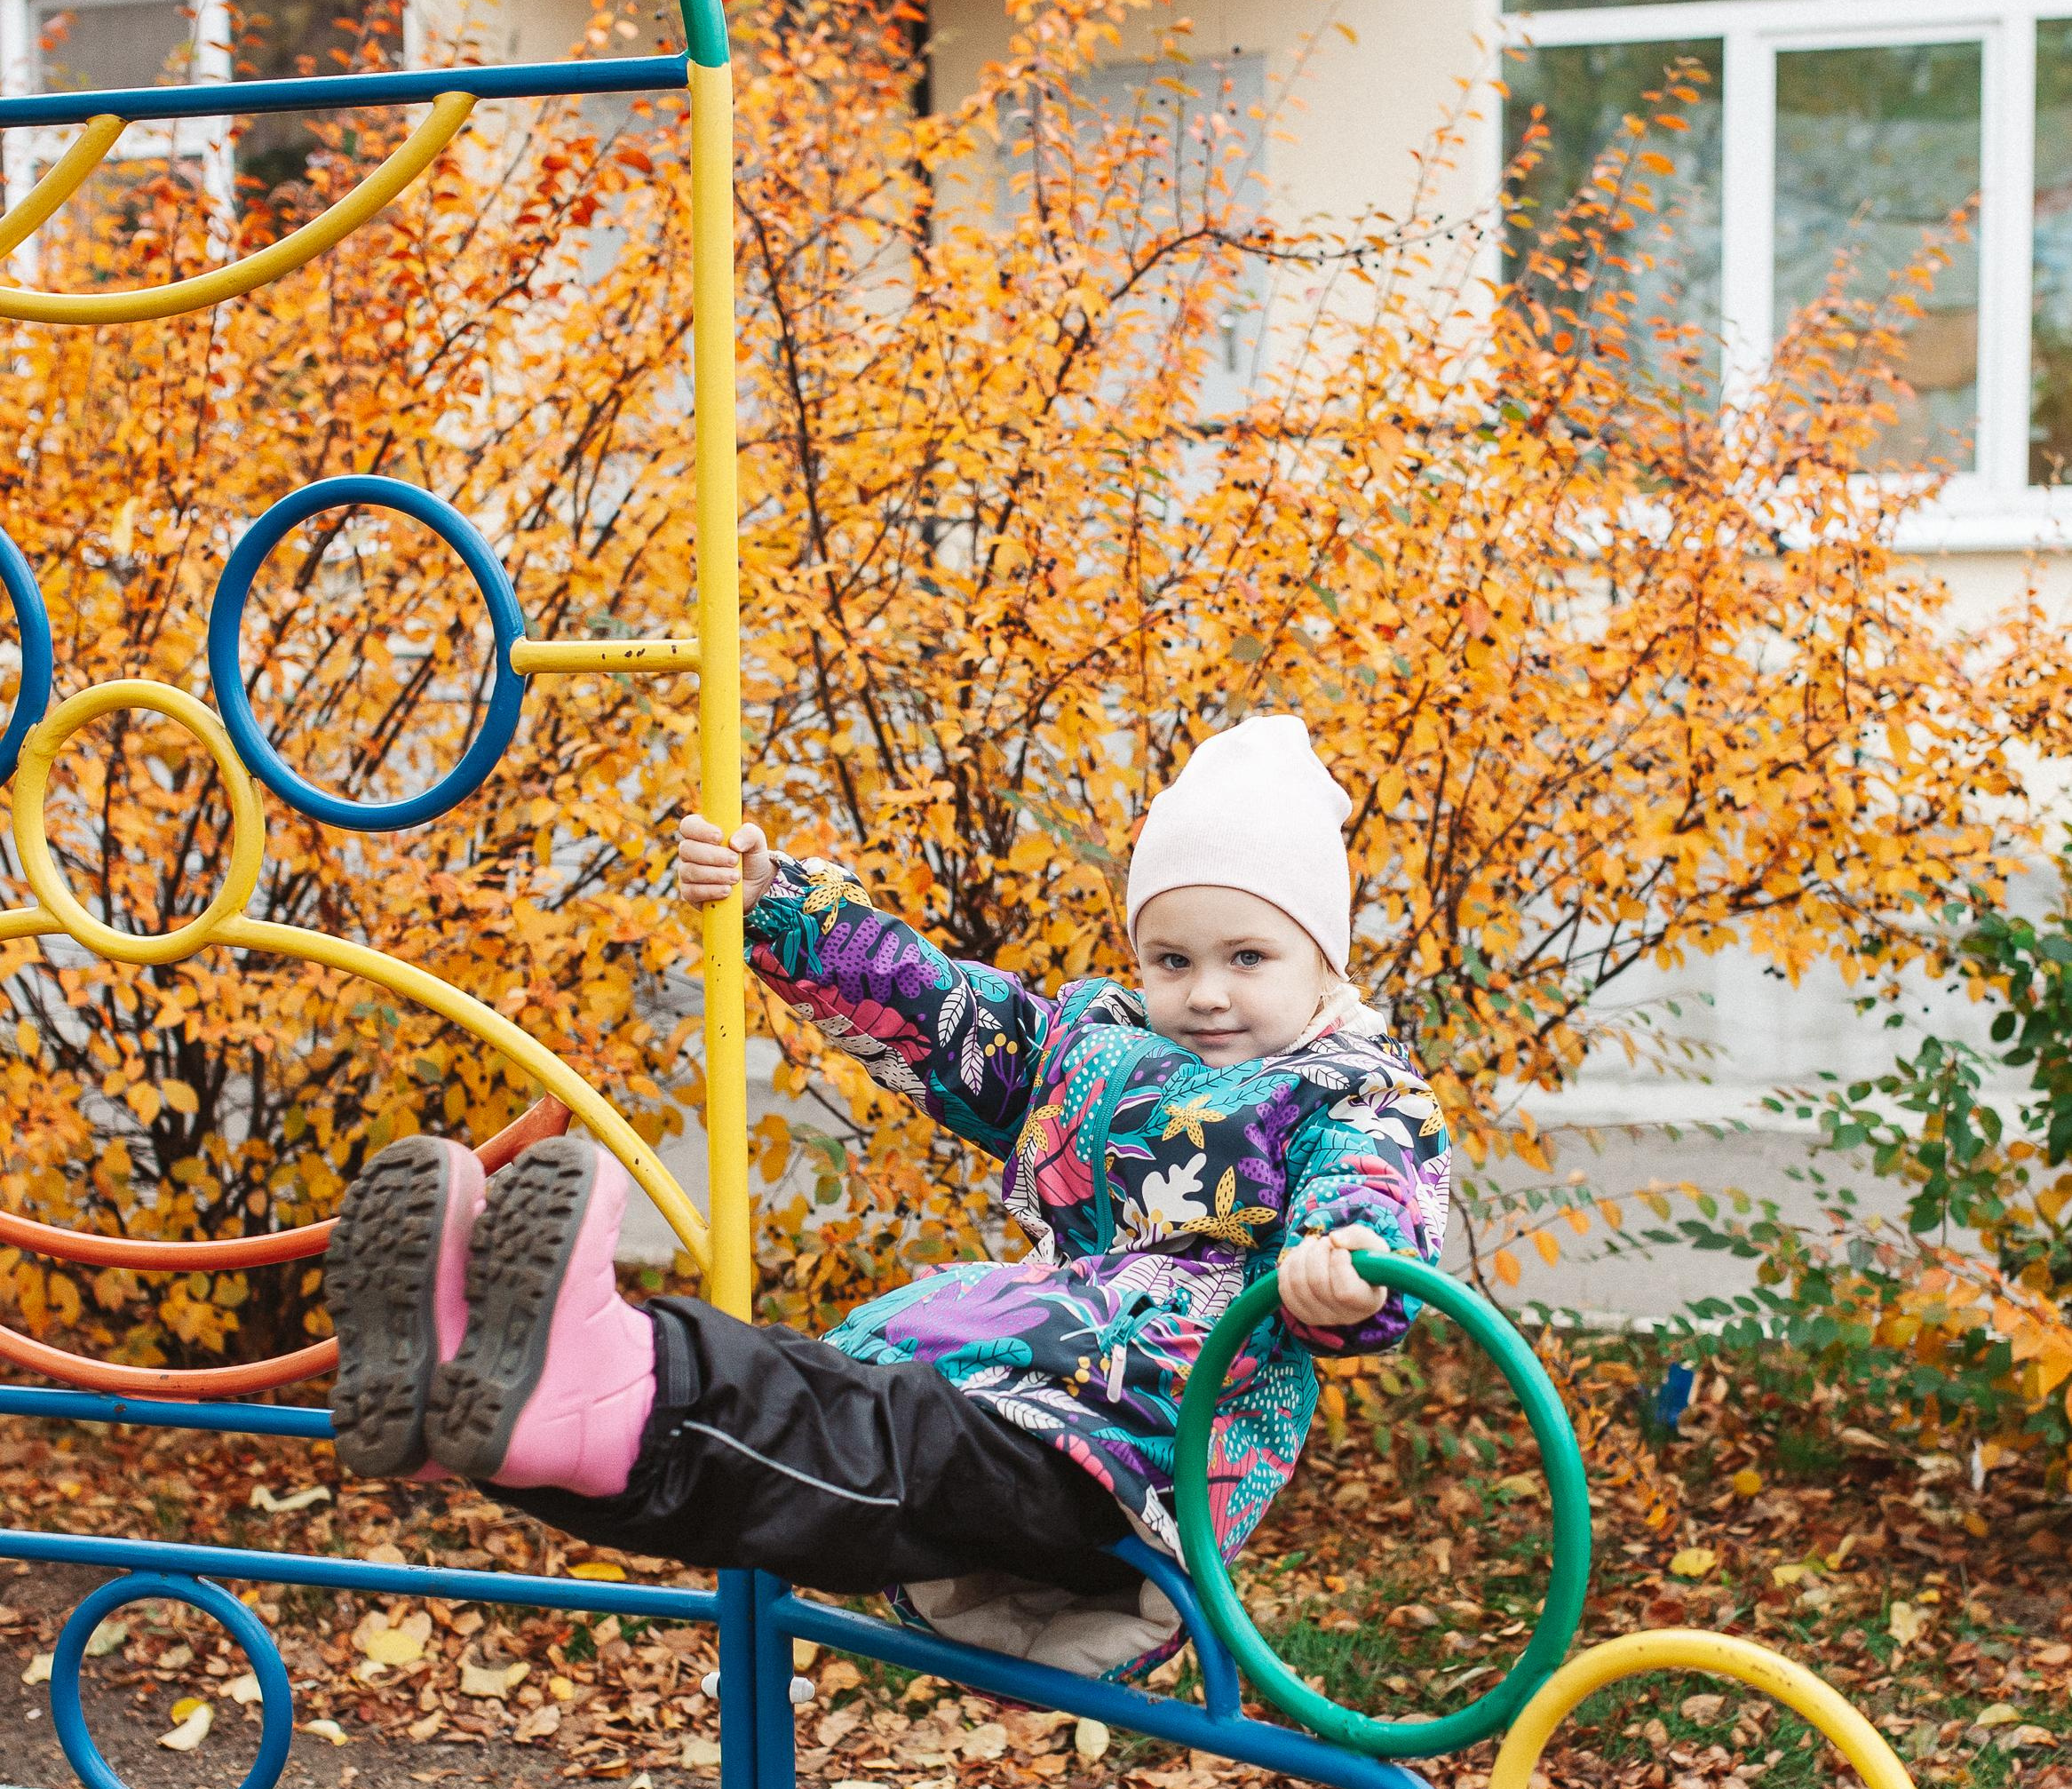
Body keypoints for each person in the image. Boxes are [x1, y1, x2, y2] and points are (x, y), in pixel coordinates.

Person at [325, 713, 1449, 1674]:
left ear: (1325, 961)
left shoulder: (1344, 1089)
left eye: (1246, 957)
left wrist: (1339, 1269)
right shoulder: (1089, 1043)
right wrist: (778, 906)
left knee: (869, 1433)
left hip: (1132, 1442)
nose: (1202, 992)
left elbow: (1369, 1189)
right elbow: (934, 1003)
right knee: (812, 1406)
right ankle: (472, 1404)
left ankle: (596, 1368)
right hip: (1015, 1363)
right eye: (1169, 958)